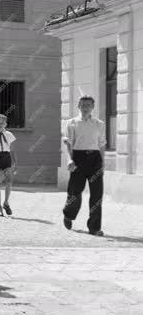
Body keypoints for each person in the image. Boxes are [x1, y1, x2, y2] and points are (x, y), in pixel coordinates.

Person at [62, 96, 105, 236]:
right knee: (75, 192)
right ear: (78, 106)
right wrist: (70, 160)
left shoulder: (99, 124)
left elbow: (101, 145)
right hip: (78, 158)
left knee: (97, 195)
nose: (86, 107)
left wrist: (102, 162)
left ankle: (94, 228)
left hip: (95, 160)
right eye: (83, 105)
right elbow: (68, 144)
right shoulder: (71, 123)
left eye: (88, 105)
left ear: (93, 107)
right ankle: (69, 214)